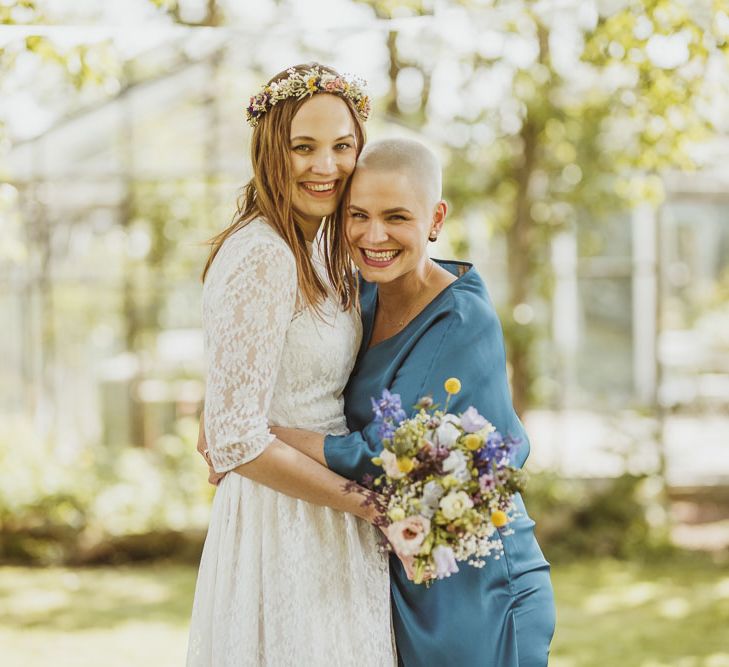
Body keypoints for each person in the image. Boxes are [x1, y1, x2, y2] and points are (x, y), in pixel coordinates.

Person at [272, 138, 556, 666]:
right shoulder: (359, 295)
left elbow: (380, 455)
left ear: (436, 218)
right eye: (358, 215)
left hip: (482, 584)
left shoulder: (460, 320)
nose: (373, 236)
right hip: (404, 572)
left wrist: (262, 434)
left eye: (396, 217)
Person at [186, 64, 396, 667]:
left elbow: (224, 411)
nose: (324, 166)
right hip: (286, 522)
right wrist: (370, 504)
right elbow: (233, 439)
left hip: (323, 511)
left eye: (341, 146)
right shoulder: (265, 255)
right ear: (271, 150)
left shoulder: (319, 252)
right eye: (303, 147)